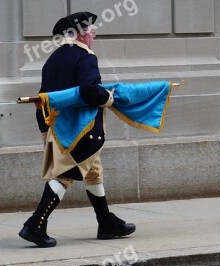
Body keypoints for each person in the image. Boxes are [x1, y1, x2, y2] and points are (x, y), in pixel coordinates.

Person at [19, 12, 135, 248]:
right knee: (65, 174)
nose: (93, 36)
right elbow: (90, 91)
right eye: (92, 31)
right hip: (79, 129)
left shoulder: (54, 58)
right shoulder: (85, 57)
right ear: (81, 34)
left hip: (53, 124)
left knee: (93, 172)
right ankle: (35, 225)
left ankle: (106, 223)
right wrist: (108, 98)